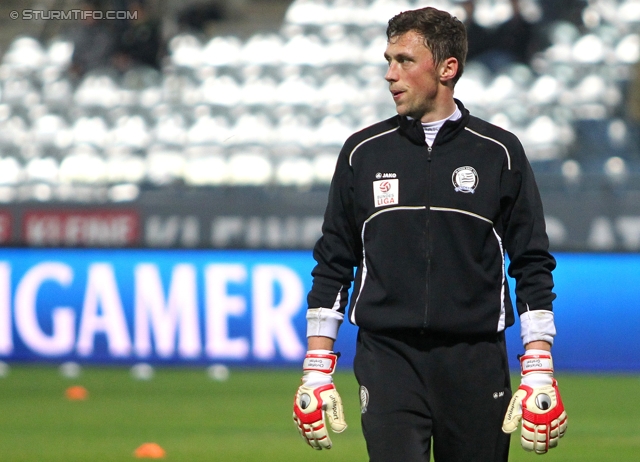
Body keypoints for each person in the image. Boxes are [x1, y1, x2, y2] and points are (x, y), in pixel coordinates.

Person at [292, 6, 567, 462]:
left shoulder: (500, 152)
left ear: (447, 68)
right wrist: (316, 367)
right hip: (387, 359)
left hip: (475, 359)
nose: (389, 74)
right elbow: (334, 260)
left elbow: (532, 261)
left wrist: (538, 365)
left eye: (403, 60)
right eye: (388, 60)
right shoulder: (362, 151)